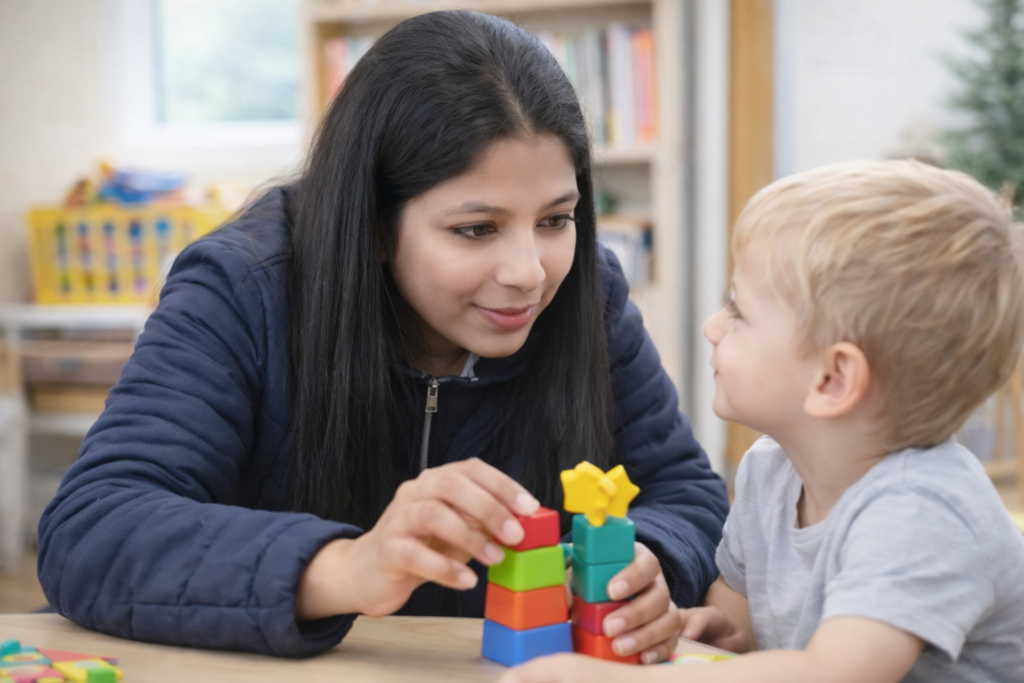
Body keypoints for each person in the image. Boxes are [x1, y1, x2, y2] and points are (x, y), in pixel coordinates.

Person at [36, 10, 729, 661]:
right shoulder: (243, 285)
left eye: (556, 218)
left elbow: (686, 492)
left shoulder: (588, 292)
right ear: (371, 222)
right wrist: (345, 567)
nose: (529, 272)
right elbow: (94, 528)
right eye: (476, 228)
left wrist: (652, 562)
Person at [503, 159, 1024, 683]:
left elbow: (833, 674)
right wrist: (724, 630)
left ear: (833, 380)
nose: (712, 327)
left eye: (738, 310)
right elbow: (741, 611)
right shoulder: (771, 470)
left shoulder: (923, 513)